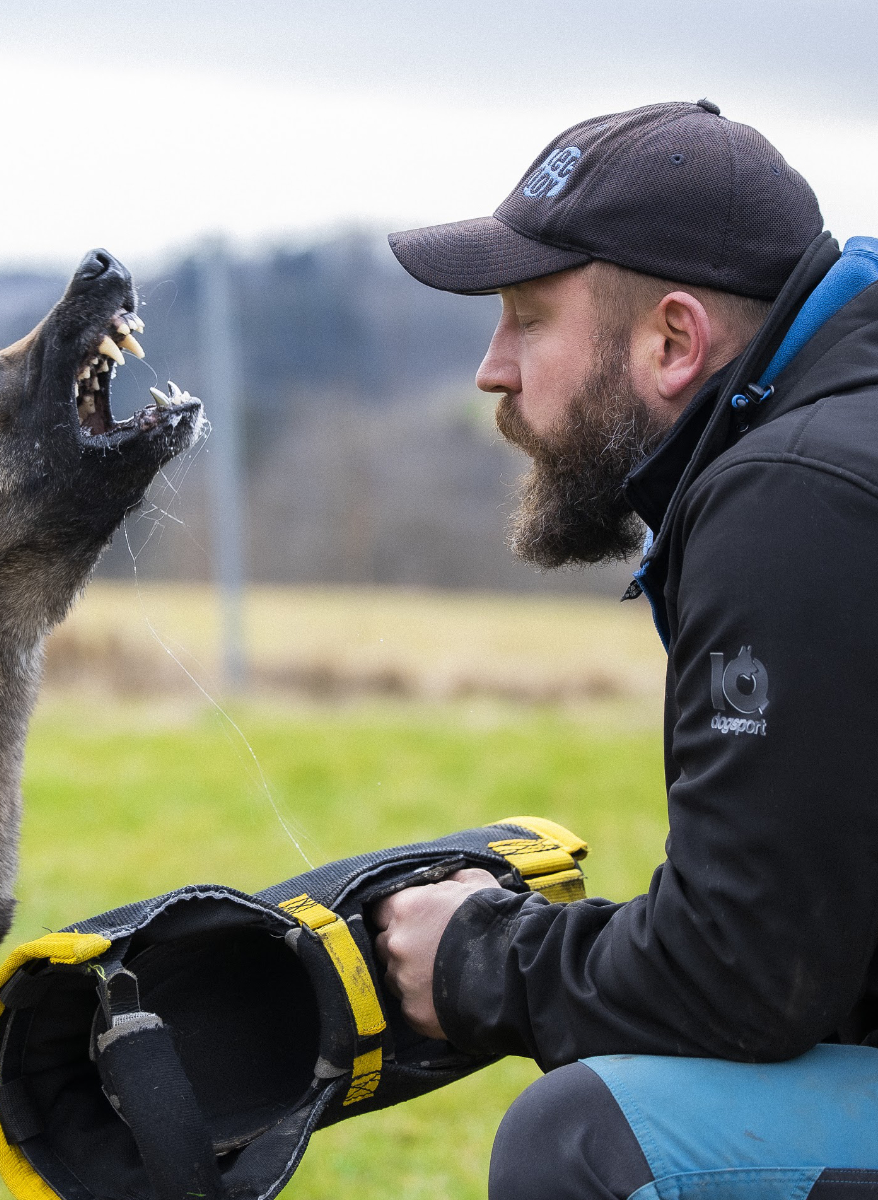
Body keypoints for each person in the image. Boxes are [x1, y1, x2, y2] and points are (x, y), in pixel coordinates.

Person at [375, 99, 878, 1199]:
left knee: (588, 1138)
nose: (492, 370)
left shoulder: (794, 498)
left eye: (527, 317)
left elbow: (746, 979)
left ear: (673, 340)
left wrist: (476, 956)